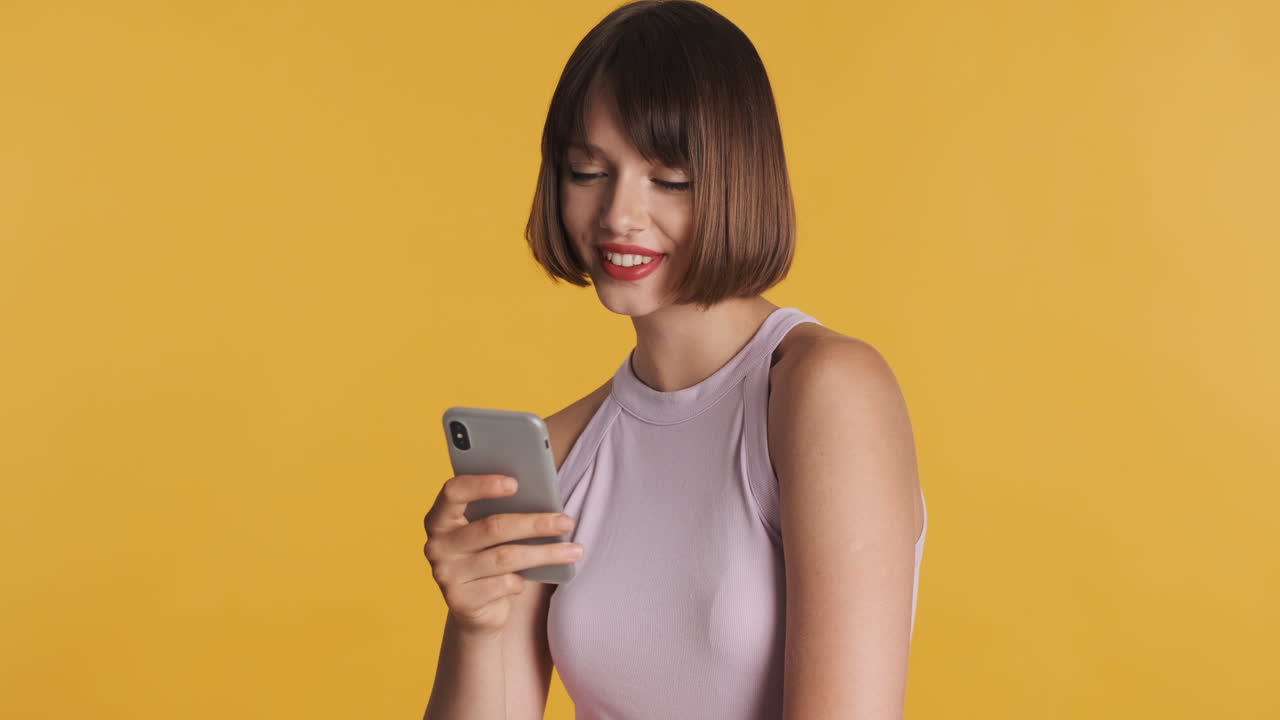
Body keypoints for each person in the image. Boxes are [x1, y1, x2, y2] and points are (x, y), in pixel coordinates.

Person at [423, 2, 927, 719]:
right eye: (587, 170)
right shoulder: (559, 452)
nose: (618, 215)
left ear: (737, 180)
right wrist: (479, 626)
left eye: (670, 179)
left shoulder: (823, 391)